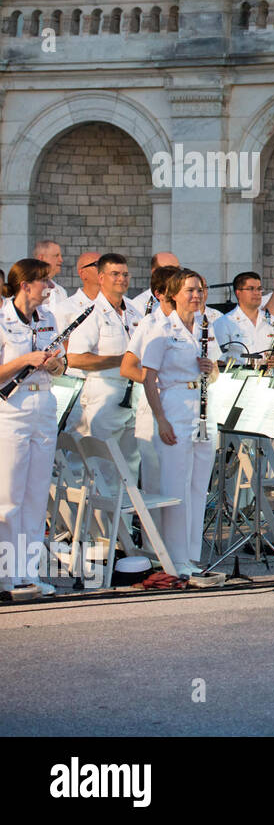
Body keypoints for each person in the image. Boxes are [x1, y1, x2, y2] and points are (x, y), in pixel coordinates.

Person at [139, 269, 222, 575]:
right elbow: (148, 378)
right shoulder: (161, 329)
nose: (196, 295)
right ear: (173, 294)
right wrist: (160, 419)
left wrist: (210, 368)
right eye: (189, 290)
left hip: (202, 407)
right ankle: (174, 559)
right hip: (173, 404)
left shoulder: (205, 326)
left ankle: (191, 554)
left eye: (200, 290)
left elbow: (213, 375)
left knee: (199, 485)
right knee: (176, 484)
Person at [0, 260, 67, 596]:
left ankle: (27, 573)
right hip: (11, 410)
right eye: (44, 281)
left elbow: (60, 364)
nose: (50, 287)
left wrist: (55, 362)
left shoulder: (49, 318)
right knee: (9, 495)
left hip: (44, 406)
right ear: (25, 284)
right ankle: (5, 574)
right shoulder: (1, 319)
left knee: (36, 494)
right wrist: (25, 360)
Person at [65, 254, 145, 474]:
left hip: (134, 395)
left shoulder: (134, 311)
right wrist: (120, 361)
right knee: (101, 465)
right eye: (115, 274)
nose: (122, 279)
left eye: (125, 274)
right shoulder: (91, 313)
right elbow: (75, 358)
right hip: (104, 394)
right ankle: (97, 509)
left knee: (130, 465)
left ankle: (122, 509)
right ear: (101, 278)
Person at [120, 265, 181, 494]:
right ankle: (153, 530)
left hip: (182, 407)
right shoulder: (149, 323)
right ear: (160, 293)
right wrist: (155, 383)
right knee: (155, 480)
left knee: (178, 480)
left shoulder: (190, 322)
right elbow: (127, 367)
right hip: (154, 406)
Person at [214, 272, 274, 369]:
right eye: (251, 289)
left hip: (267, 380)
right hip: (237, 380)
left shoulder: (273, 322)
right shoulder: (224, 322)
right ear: (238, 293)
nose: (257, 293)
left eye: (259, 289)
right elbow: (218, 361)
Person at [55, 251, 101, 328]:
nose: (104, 269)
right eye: (98, 265)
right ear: (82, 273)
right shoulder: (64, 309)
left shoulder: (122, 305)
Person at [128, 252, 179, 317]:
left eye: (178, 268)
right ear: (154, 272)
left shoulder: (189, 298)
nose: (177, 274)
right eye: (169, 270)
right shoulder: (139, 305)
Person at [32, 240, 67, 308]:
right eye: (56, 255)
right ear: (41, 258)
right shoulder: (28, 287)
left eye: (60, 256)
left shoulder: (61, 291)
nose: (61, 260)